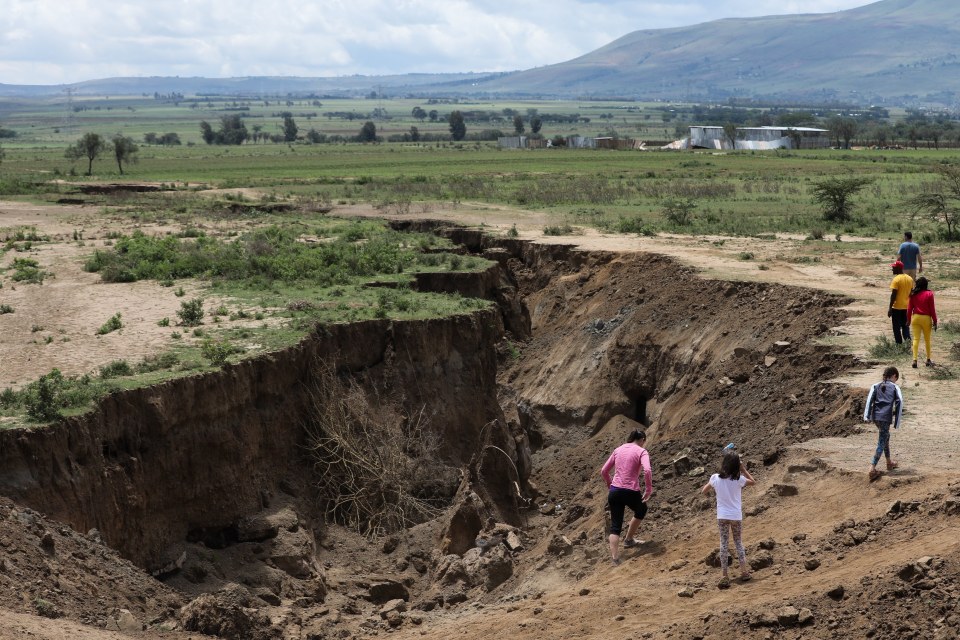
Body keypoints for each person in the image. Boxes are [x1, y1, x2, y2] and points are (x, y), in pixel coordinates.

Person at [700, 451, 755, 588]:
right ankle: (744, 572)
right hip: (736, 516)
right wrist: (743, 469)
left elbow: (703, 491)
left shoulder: (715, 478)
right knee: (738, 542)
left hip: (722, 515)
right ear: (736, 466)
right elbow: (753, 482)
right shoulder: (739, 479)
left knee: (723, 543)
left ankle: (724, 575)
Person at [600, 429, 653, 566]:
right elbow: (647, 470)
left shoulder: (618, 450)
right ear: (641, 439)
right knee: (641, 509)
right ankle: (629, 540)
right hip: (630, 491)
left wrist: (609, 483)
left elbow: (604, 471)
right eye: (644, 441)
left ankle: (615, 558)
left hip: (615, 491)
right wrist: (648, 489)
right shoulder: (641, 451)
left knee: (615, 526)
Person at [863, 366, 903, 481]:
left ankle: (889, 462)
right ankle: (872, 468)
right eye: (896, 378)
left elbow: (870, 399)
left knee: (886, 436)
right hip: (885, 417)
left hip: (876, 417)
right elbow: (900, 401)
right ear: (894, 376)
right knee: (881, 441)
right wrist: (897, 422)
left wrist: (867, 416)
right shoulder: (895, 387)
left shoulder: (876, 385)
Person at [908, 276, 938, 368]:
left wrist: (908, 320)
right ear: (926, 285)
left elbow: (909, 309)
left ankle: (914, 360)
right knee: (927, 340)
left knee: (916, 339)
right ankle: (928, 360)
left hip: (916, 318)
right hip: (926, 318)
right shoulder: (929, 294)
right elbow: (932, 309)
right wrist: (935, 321)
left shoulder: (913, 294)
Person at [888, 261, 913, 346]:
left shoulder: (896, 280)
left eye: (894, 267)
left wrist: (890, 308)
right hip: (906, 307)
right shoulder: (910, 279)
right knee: (905, 326)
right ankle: (908, 344)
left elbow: (893, 295)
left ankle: (899, 345)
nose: (892, 269)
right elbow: (911, 293)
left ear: (898, 268)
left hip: (897, 308)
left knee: (896, 328)